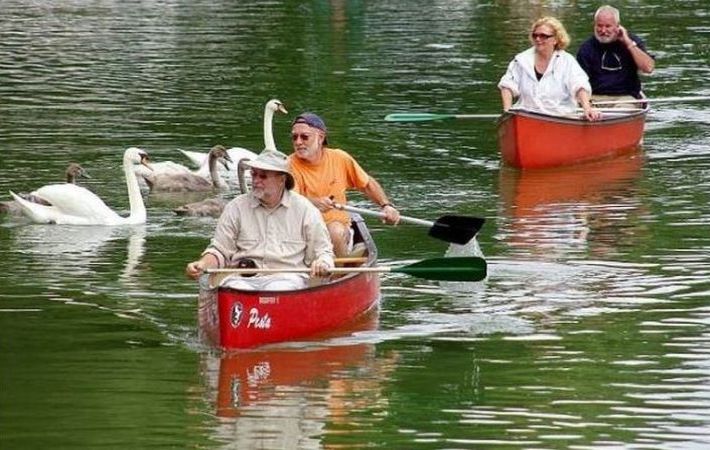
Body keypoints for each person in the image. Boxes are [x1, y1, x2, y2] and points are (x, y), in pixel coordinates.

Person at [185, 149, 335, 290]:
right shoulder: (235, 208)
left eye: (263, 176)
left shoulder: (306, 210)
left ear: (282, 180)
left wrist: (322, 263)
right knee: (234, 288)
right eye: (254, 174)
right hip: (242, 279)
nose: (256, 180)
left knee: (277, 288)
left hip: (288, 280)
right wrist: (202, 264)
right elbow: (219, 250)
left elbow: (323, 252)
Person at [288, 112, 401, 258]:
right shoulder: (288, 165)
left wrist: (386, 205)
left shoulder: (340, 158)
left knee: (335, 231)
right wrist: (315, 203)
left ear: (320, 138)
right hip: (303, 233)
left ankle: (342, 267)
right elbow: (292, 201)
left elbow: (366, 184)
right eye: (294, 137)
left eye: (304, 137)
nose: (298, 142)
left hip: (337, 230)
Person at [498, 16, 601, 121]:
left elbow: (580, 85)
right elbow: (507, 85)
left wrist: (587, 108)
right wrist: (507, 112)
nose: (538, 39)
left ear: (555, 39)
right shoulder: (521, 60)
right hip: (526, 116)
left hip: (560, 117)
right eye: (535, 35)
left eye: (543, 36)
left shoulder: (567, 61)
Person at [576, 5, 655, 106]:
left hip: (625, 98)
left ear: (618, 26)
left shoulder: (632, 41)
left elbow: (648, 68)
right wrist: (587, 105)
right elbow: (579, 82)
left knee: (624, 109)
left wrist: (628, 43)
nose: (603, 31)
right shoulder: (586, 48)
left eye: (608, 26)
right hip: (594, 98)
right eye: (599, 26)